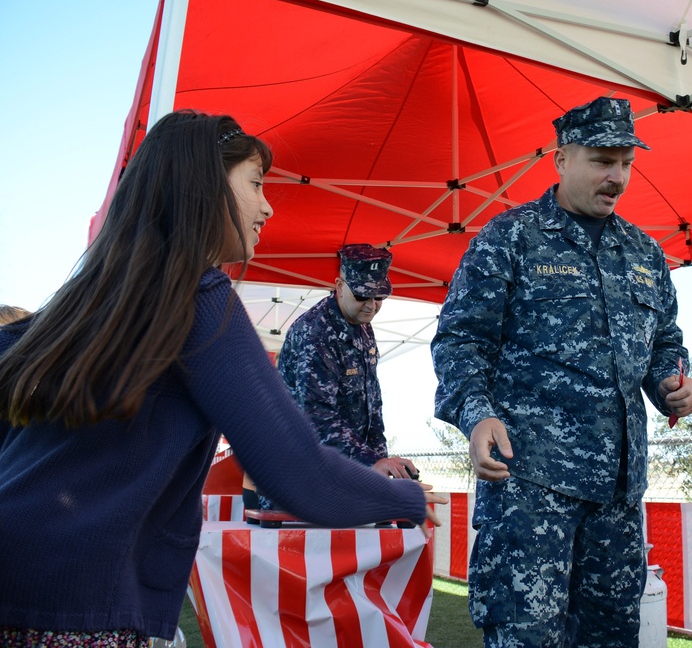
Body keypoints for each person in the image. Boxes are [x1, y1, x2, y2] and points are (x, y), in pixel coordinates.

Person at [0, 110, 446, 645]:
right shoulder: (198, 298)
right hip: (80, 603)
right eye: (256, 184)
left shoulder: (76, 304)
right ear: (205, 185)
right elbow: (302, 475)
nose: (268, 204)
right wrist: (411, 500)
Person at [431, 96, 692, 647]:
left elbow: (664, 342)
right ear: (561, 158)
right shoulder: (512, 238)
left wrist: (673, 382)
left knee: (612, 637)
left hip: (617, 495)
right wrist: (476, 416)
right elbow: (460, 340)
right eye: (603, 160)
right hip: (530, 487)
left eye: (626, 162)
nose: (617, 177)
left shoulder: (645, 253)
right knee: (526, 636)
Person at [277, 244, 417, 478]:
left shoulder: (361, 325)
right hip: (301, 476)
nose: (372, 305)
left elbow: (372, 406)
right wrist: (373, 462)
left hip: (346, 472)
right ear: (339, 287)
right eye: (362, 295)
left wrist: (383, 465)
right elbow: (316, 416)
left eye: (379, 296)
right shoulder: (315, 333)